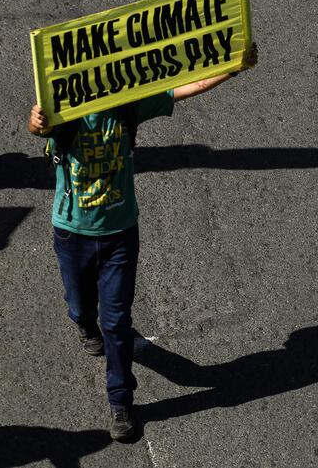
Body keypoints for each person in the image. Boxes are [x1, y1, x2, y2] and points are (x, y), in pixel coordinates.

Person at [27, 44, 258, 441]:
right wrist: (35, 122)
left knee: (117, 323)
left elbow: (186, 86)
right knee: (80, 305)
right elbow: (38, 127)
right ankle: (83, 325)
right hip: (72, 234)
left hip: (120, 235)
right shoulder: (62, 116)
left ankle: (121, 402)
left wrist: (233, 67)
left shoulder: (128, 106)